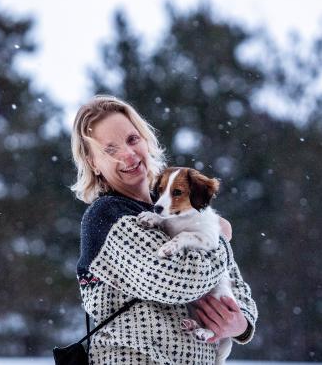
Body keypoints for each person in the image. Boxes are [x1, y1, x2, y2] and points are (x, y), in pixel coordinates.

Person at [72, 94, 257, 364]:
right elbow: (176, 281)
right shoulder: (107, 216)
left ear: (146, 140)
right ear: (93, 163)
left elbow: (237, 289)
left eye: (133, 139)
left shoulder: (180, 208)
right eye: (109, 150)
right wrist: (221, 238)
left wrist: (239, 324)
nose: (128, 154)